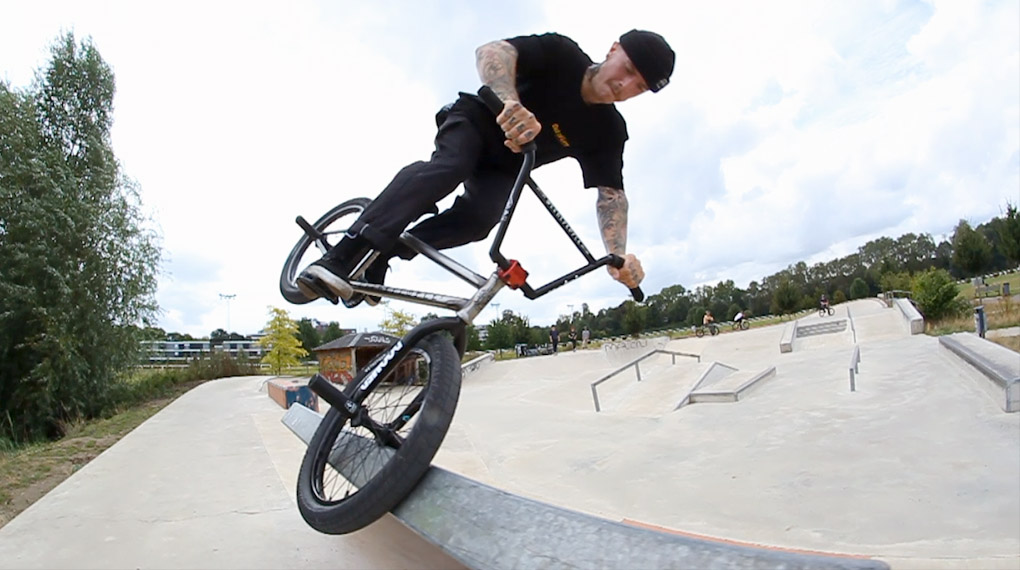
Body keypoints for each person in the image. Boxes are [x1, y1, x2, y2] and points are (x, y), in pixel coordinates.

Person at [295, 30, 675, 307]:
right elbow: (493, 51)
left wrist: (618, 256)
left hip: (506, 167)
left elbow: (611, 195)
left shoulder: (608, 131)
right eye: (625, 70)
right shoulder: (563, 55)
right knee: (449, 167)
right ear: (612, 50)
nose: (623, 85)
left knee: (481, 220)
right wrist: (509, 103)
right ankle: (346, 252)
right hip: (477, 122)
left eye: (637, 87)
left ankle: (384, 254)